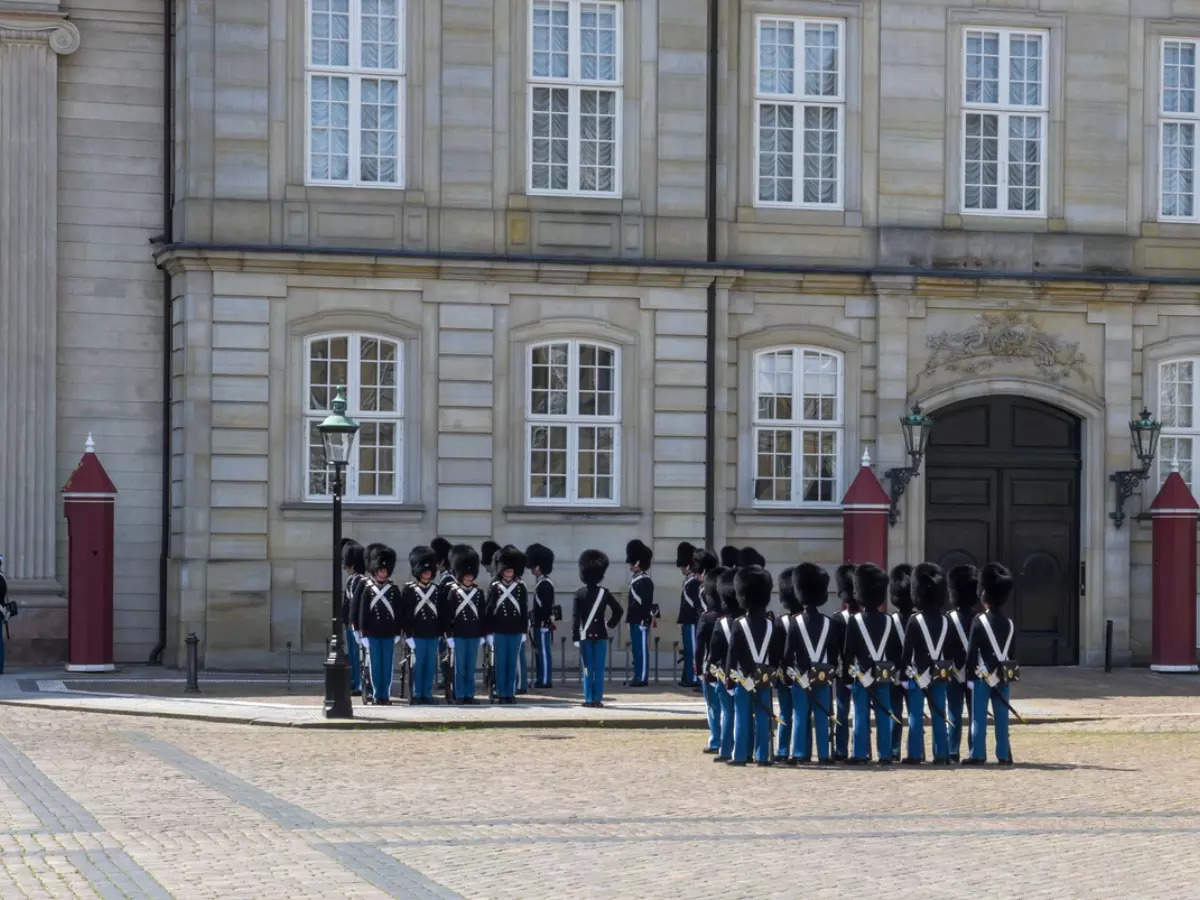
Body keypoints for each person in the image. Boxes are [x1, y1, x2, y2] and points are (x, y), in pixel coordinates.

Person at [844, 564, 903, 765]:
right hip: (883, 674)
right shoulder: (888, 620)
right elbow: (895, 651)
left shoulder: (855, 620)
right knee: (883, 715)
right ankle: (885, 754)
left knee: (860, 715)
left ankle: (860, 754)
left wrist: (846, 676)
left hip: (862, 674)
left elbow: (848, 651)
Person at [726, 566, 783, 767]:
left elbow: (733, 652)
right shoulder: (771, 624)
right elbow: (776, 654)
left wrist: (728, 678)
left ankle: (740, 755)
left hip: (744, 677)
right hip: (764, 676)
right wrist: (772, 671)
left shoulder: (739, 624)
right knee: (763, 717)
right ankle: (763, 755)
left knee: (742, 717)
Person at [964, 563, 1017, 766]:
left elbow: (971, 653)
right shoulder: (1010, 623)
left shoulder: (979, 621)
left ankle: (978, 754)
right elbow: (1012, 653)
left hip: (982, 676)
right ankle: (1004, 754)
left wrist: (969, 677)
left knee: (979, 718)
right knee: (1002, 717)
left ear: (984, 595)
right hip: (1002, 676)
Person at [901, 563, 951, 765]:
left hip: (918, 674)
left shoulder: (914, 620)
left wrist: (903, 675)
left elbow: (907, 652)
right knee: (940, 715)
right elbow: (950, 650)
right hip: (940, 673)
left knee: (915, 717)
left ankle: (915, 754)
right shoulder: (947, 620)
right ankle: (942, 755)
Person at [785, 562, 835, 765]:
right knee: (822, 717)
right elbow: (832, 653)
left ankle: (799, 754)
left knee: (800, 717)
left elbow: (789, 653)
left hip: (802, 676)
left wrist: (792, 672)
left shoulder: (795, 622)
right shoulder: (828, 622)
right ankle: (824, 754)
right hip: (822, 676)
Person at [572, 549, 623, 708]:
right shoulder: (604, 593)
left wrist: (575, 637)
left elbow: (576, 618)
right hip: (601, 634)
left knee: (587, 670)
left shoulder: (579, 593)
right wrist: (610, 624)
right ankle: (597, 699)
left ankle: (588, 698)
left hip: (585, 636)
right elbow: (618, 610)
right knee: (599, 670)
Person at [354, 545, 402, 705]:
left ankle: (385, 694)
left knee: (387, 666)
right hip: (373, 633)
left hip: (388, 633)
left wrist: (397, 632)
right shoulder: (368, 590)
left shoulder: (394, 590)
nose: (383, 573)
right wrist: (363, 633)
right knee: (375, 666)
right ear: (375, 571)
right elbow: (363, 613)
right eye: (380, 570)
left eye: (385, 571)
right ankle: (376, 694)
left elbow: (398, 612)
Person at [441, 544, 485, 704]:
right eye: (466, 574)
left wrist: (482, 634)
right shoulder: (453, 592)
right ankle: (459, 694)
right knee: (459, 668)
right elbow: (448, 616)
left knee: (470, 668)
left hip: (473, 634)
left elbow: (482, 615)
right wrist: (449, 635)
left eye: (471, 574)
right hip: (458, 635)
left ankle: (469, 694)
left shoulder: (478, 593)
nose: (469, 577)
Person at [945, 564, 979, 762]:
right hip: (974, 671)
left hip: (954, 671)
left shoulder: (948, 619)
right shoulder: (979, 618)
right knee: (974, 714)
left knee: (954, 712)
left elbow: (945, 646)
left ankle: (952, 750)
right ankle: (974, 749)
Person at [486, 546, 529, 704]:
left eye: (511, 571)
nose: (509, 574)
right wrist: (489, 632)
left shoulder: (520, 587)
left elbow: (524, 610)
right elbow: (489, 610)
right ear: (502, 571)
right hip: (499, 630)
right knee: (501, 663)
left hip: (516, 630)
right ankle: (501, 692)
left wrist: (524, 631)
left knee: (511, 664)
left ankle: (510, 693)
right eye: (506, 571)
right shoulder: (495, 587)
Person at [401, 546, 442, 705]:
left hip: (431, 633)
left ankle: (427, 693)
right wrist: (408, 634)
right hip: (417, 634)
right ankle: (417, 693)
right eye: (424, 571)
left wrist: (440, 632)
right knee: (418, 666)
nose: (427, 573)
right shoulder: (410, 590)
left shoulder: (436, 590)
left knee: (430, 666)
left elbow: (441, 613)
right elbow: (406, 614)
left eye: (429, 571)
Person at [707, 568, 740, 762]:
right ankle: (744, 748)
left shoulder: (722, 624)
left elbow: (714, 652)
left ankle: (726, 749)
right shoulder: (747, 621)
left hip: (724, 674)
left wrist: (710, 672)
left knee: (727, 713)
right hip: (746, 674)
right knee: (743, 713)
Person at [695, 565, 727, 754]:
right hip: (731, 668)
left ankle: (716, 741)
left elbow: (699, 647)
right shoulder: (732, 617)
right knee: (729, 708)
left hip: (711, 668)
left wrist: (698, 669)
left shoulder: (707, 618)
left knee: (713, 708)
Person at [830, 563, 858, 761]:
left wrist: (836, 668)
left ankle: (841, 749)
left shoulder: (837, 619)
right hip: (862, 672)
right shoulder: (841, 619)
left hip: (842, 672)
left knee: (842, 712)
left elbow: (832, 649)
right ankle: (859, 748)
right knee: (858, 713)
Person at [773, 567, 801, 761]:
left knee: (785, 713)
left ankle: (783, 750)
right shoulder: (807, 620)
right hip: (802, 674)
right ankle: (800, 750)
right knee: (800, 714)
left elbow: (774, 651)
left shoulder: (779, 621)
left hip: (784, 673)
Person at [888, 563, 915, 761]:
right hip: (915, 673)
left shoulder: (890, 621)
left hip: (896, 673)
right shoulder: (919, 619)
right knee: (914, 715)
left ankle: (893, 749)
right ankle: (917, 751)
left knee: (895, 713)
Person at [526, 542, 557, 688]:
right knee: (540, 652)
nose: (532, 569)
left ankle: (545, 680)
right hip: (539, 623)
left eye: (533, 566)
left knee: (544, 653)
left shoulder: (545, 584)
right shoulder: (541, 583)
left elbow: (545, 607)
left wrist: (540, 618)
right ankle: (541, 678)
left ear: (538, 566)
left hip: (543, 624)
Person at [624, 540, 654, 687]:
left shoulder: (645, 581)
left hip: (641, 621)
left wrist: (644, 620)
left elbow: (646, 603)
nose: (630, 565)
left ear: (637, 562)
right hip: (634, 619)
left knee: (641, 650)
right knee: (636, 650)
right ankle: (637, 675)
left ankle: (642, 677)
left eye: (632, 562)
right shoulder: (635, 580)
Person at [341, 539, 367, 697]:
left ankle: (358, 683)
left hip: (354, 624)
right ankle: (355, 680)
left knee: (356, 654)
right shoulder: (355, 579)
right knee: (354, 653)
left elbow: (353, 605)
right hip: (351, 623)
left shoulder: (357, 580)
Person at [676, 543, 702, 687]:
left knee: (692, 651)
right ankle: (688, 676)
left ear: (687, 565)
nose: (681, 568)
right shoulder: (689, 581)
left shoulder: (693, 582)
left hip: (692, 621)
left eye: (682, 566)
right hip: (687, 621)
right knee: (688, 650)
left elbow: (696, 605)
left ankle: (693, 678)